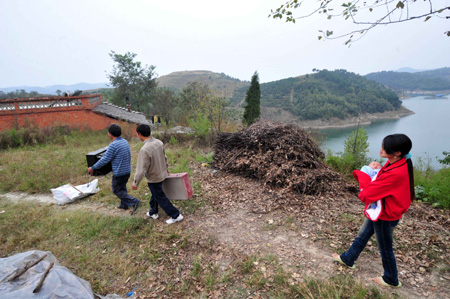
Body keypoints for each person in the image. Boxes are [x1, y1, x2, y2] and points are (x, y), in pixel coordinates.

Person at [332, 134, 415, 288]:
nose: (381, 149)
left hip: (386, 216)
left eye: (385, 147)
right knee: (362, 235)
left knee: (385, 248)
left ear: (397, 152)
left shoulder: (395, 172)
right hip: (381, 210)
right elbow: (379, 182)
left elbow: (366, 195)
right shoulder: (398, 162)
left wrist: (364, 175)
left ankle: (391, 279)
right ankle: (348, 259)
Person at [132, 124, 183, 224]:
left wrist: (135, 182)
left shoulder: (144, 150)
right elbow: (165, 157)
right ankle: (153, 212)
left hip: (154, 177)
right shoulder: (159, 142)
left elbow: (141, 169)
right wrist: (166, 168)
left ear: (139, 134)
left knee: (160, 197)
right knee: (155, 194)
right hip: (162, 173)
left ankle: (176, 215)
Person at [88, 123, 140, 214]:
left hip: (119, 172)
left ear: (110, 134)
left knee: (116, 190)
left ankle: (134, 201)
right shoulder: (125, 141)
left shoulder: (113, 145)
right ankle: (124, 205)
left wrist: (93, 168)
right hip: (127, 171)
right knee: (122, 188)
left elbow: (104, 159)